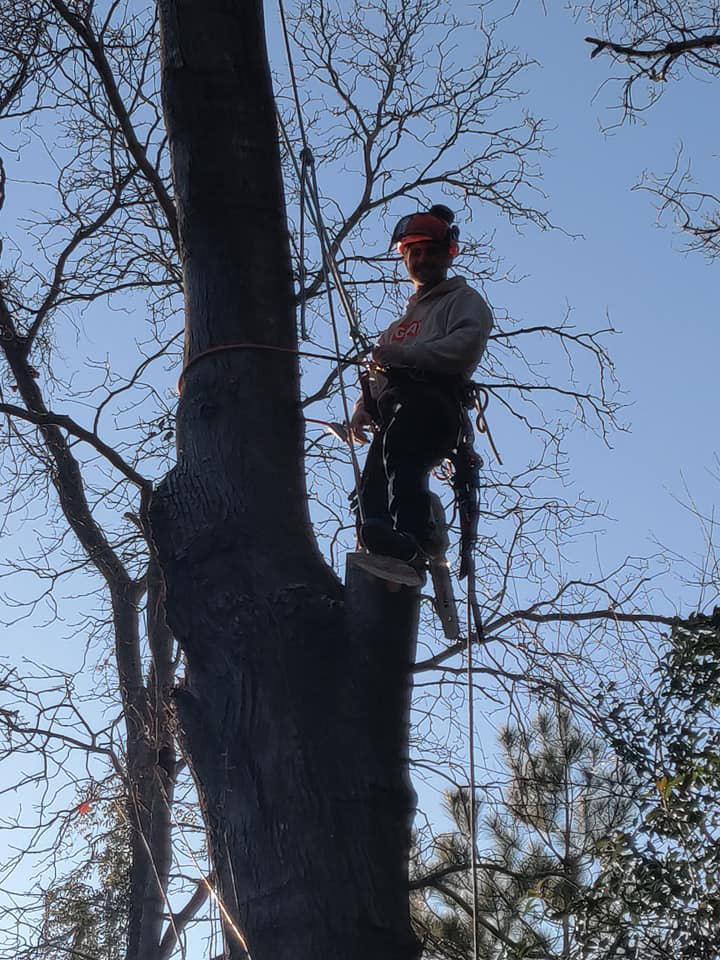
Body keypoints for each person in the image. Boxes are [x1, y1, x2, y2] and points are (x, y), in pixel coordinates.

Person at [350, 204, 493, 565]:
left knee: (402, 452)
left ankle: (410, 538)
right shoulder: (396, 328)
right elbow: (378, 376)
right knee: (372, 484)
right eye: (415, 252)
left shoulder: (462, 301)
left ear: (449, 255)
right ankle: (378, 540)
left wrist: (407, 355)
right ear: (405, 259)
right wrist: (363, 407)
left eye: (431, 251)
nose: (423, 259)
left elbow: (464, 347)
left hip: (433, 403)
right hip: (395, 412)